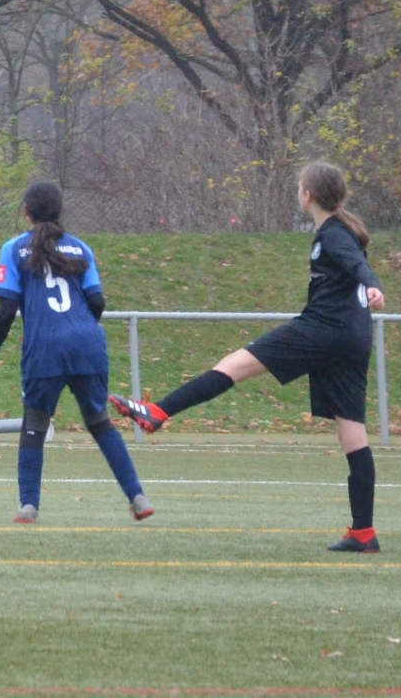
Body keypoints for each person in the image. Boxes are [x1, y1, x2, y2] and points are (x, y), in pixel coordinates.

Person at [111, 161, 385, 552]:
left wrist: (373, 286)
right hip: (354, 335)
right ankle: (363, 533)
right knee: (351, 432)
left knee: (235, 364)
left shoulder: (333, 233)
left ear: (307, 195)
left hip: (324, 329)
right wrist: (369, 288)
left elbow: (358, 266)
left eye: (299, 187)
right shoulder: (342, 230)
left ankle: (158, 412)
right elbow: (356, 265)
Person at [0, 182, 152, 524]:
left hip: (45, 348)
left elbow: (7, 309)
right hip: (88, 344)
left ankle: (28, 506)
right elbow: (97, 301)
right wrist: (79, 330)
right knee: (99, 422)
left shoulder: (13, 249)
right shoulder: (80, 248)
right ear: (59, 211)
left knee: (34, 424)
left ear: (26, 211)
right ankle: (138, 497)